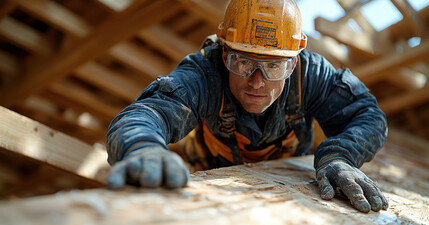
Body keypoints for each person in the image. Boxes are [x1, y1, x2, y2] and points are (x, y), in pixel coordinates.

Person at [106, 0, 389, 213]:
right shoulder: (204, 72)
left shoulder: (311, 74)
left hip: (289, 190)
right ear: (225, 52)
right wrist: (143, 147)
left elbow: (368, 115)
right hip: (210, 183)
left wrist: (338, 156)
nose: (257, 82)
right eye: (243, 63)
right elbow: (147, 113)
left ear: (292, 63)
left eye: (274, 66)